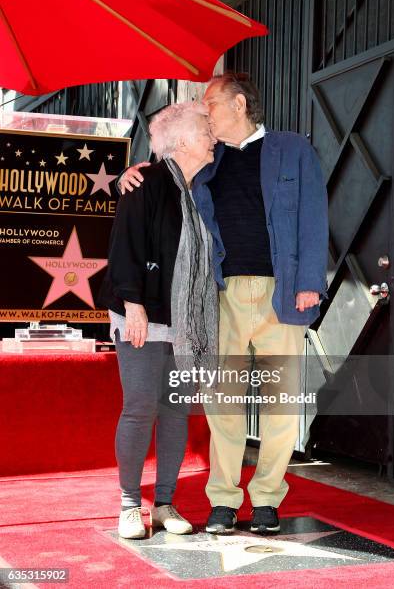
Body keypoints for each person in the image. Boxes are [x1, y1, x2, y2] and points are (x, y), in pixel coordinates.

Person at [119, 72, 328, 535]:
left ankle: (269, 498)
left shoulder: (292, 149)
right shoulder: (207, 161)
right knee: (222, 400)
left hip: (283, 291)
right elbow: (167, 180)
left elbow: (315, 215)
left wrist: (311, 282)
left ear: (238, 105)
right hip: (221, 295)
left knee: (280, 401)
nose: (202, 110)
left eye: (209, 103)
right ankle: (224, 500)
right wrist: (132, 172)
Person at [99, 102, 218, 539]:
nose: (213, 135)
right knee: (140, 407)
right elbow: (125, 244)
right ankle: (131, 504)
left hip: (184, 323)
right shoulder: (144, 182)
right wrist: (133, 305)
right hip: (142, 317)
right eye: (205, 128)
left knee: (176, 412)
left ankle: (165, 503)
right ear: (182, 141)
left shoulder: (195, 190)